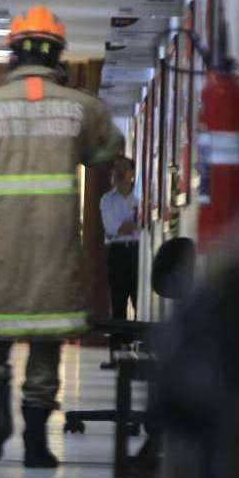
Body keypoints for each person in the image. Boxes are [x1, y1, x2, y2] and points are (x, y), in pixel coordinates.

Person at [0, 6, 123, 466]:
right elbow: (109, 150)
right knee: (45, 343)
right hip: (54, 247)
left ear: (12, 53)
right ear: (58, 55)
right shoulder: (80, 106)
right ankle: (36, 442)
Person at [99, 156, 140, 369]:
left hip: (136, 252)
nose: (119, 173)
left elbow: (140, 224)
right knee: (118, 303)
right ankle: (116, 356)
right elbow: (112, 228)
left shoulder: (140, 197)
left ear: (132, 173)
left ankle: (136, 353)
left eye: (123, 169)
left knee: (137, 301)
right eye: (116, 169)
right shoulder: (106, 200)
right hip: (116, 253)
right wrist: (131, 225)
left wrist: (129, 226)